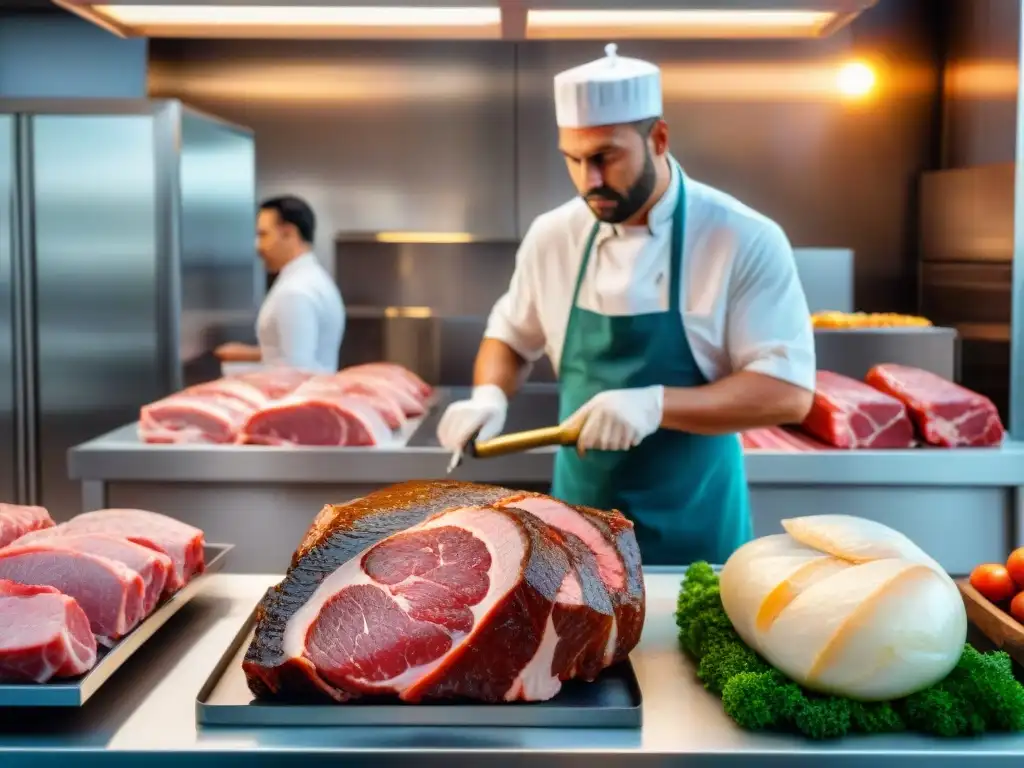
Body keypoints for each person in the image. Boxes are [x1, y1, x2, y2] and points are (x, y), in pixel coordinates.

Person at [437, 44, 816, 566]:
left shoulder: (741, 237)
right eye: (572, 160)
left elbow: (787, 394)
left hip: (697, 533)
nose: (588, 181)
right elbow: (509, 336)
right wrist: (488, 396)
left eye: (605, 158)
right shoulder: (554, 236)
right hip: (578, 534)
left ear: (658, 138)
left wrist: (654, 404)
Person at [215, 195, 345, 373]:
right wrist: (250, 354)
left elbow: (296, 372)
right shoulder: (309, 279)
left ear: (289, 233)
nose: (258, 246)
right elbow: (293, 352)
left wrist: (238, 378)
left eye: (263, 235)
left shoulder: (296, 292)